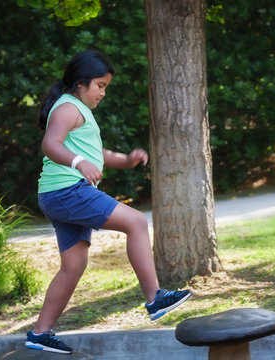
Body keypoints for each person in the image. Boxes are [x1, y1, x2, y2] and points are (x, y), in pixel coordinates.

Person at [25, 50, 192, 354]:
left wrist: (127, 160)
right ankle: (154, 298)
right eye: (100, 86)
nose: (103, 93)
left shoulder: (79, 110)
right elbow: (50, 144)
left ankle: (40, 333)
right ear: (80, 83)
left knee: (73, 266)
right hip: (66, 191)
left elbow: (98, 155)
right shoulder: (67, 108)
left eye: (106, 87)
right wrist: (77, 162)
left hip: (56, 194)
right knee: (136, 222)